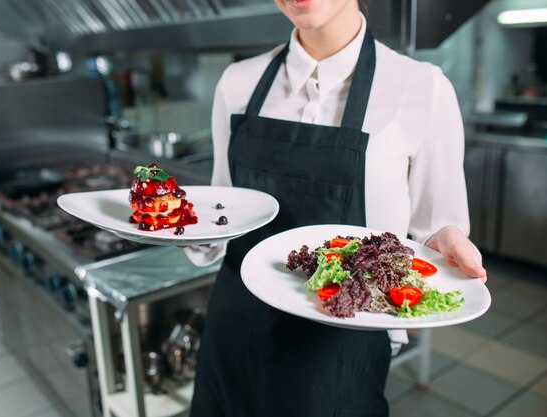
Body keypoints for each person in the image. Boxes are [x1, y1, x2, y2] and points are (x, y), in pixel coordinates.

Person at [185, 0, 488, 415]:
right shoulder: (237, 82)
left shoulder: (422, 87)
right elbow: (226, 209)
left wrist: (446, 240)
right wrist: (188, 228)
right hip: (237, 324)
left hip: (341, 345)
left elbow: (434, 230)